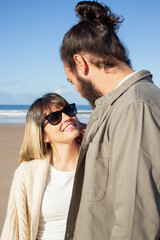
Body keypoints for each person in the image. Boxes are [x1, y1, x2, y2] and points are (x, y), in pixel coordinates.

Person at [60, 1, 160, 239]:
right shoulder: (119, 108)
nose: (76, 89)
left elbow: (136, 222)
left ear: (80, 63)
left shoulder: (135, 108)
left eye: (70, 80)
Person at [1, 93, 82, 240]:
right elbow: (14, 227)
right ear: (43, 136)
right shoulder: (27, 172)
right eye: (55, 118)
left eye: (69, 111)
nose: (67, 118)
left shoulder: (98, 160)